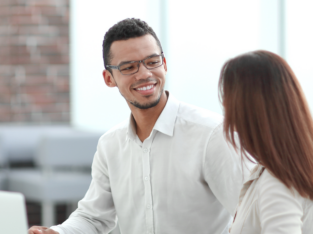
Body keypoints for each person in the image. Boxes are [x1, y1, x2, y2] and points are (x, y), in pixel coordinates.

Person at [29, 18, 243, 234]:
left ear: (165, 64)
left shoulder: (212, 134)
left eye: (152, 62)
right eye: (129, 67)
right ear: (109, 78)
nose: (144, 74)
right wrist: (59, 232)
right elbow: (93, 218)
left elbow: (251, 214)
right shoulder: (110, 145)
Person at [220, 50, 313, 233]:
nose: (225, 107)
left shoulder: (278, 180)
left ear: (249, 109)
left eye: (229, 98)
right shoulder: (288, 170)